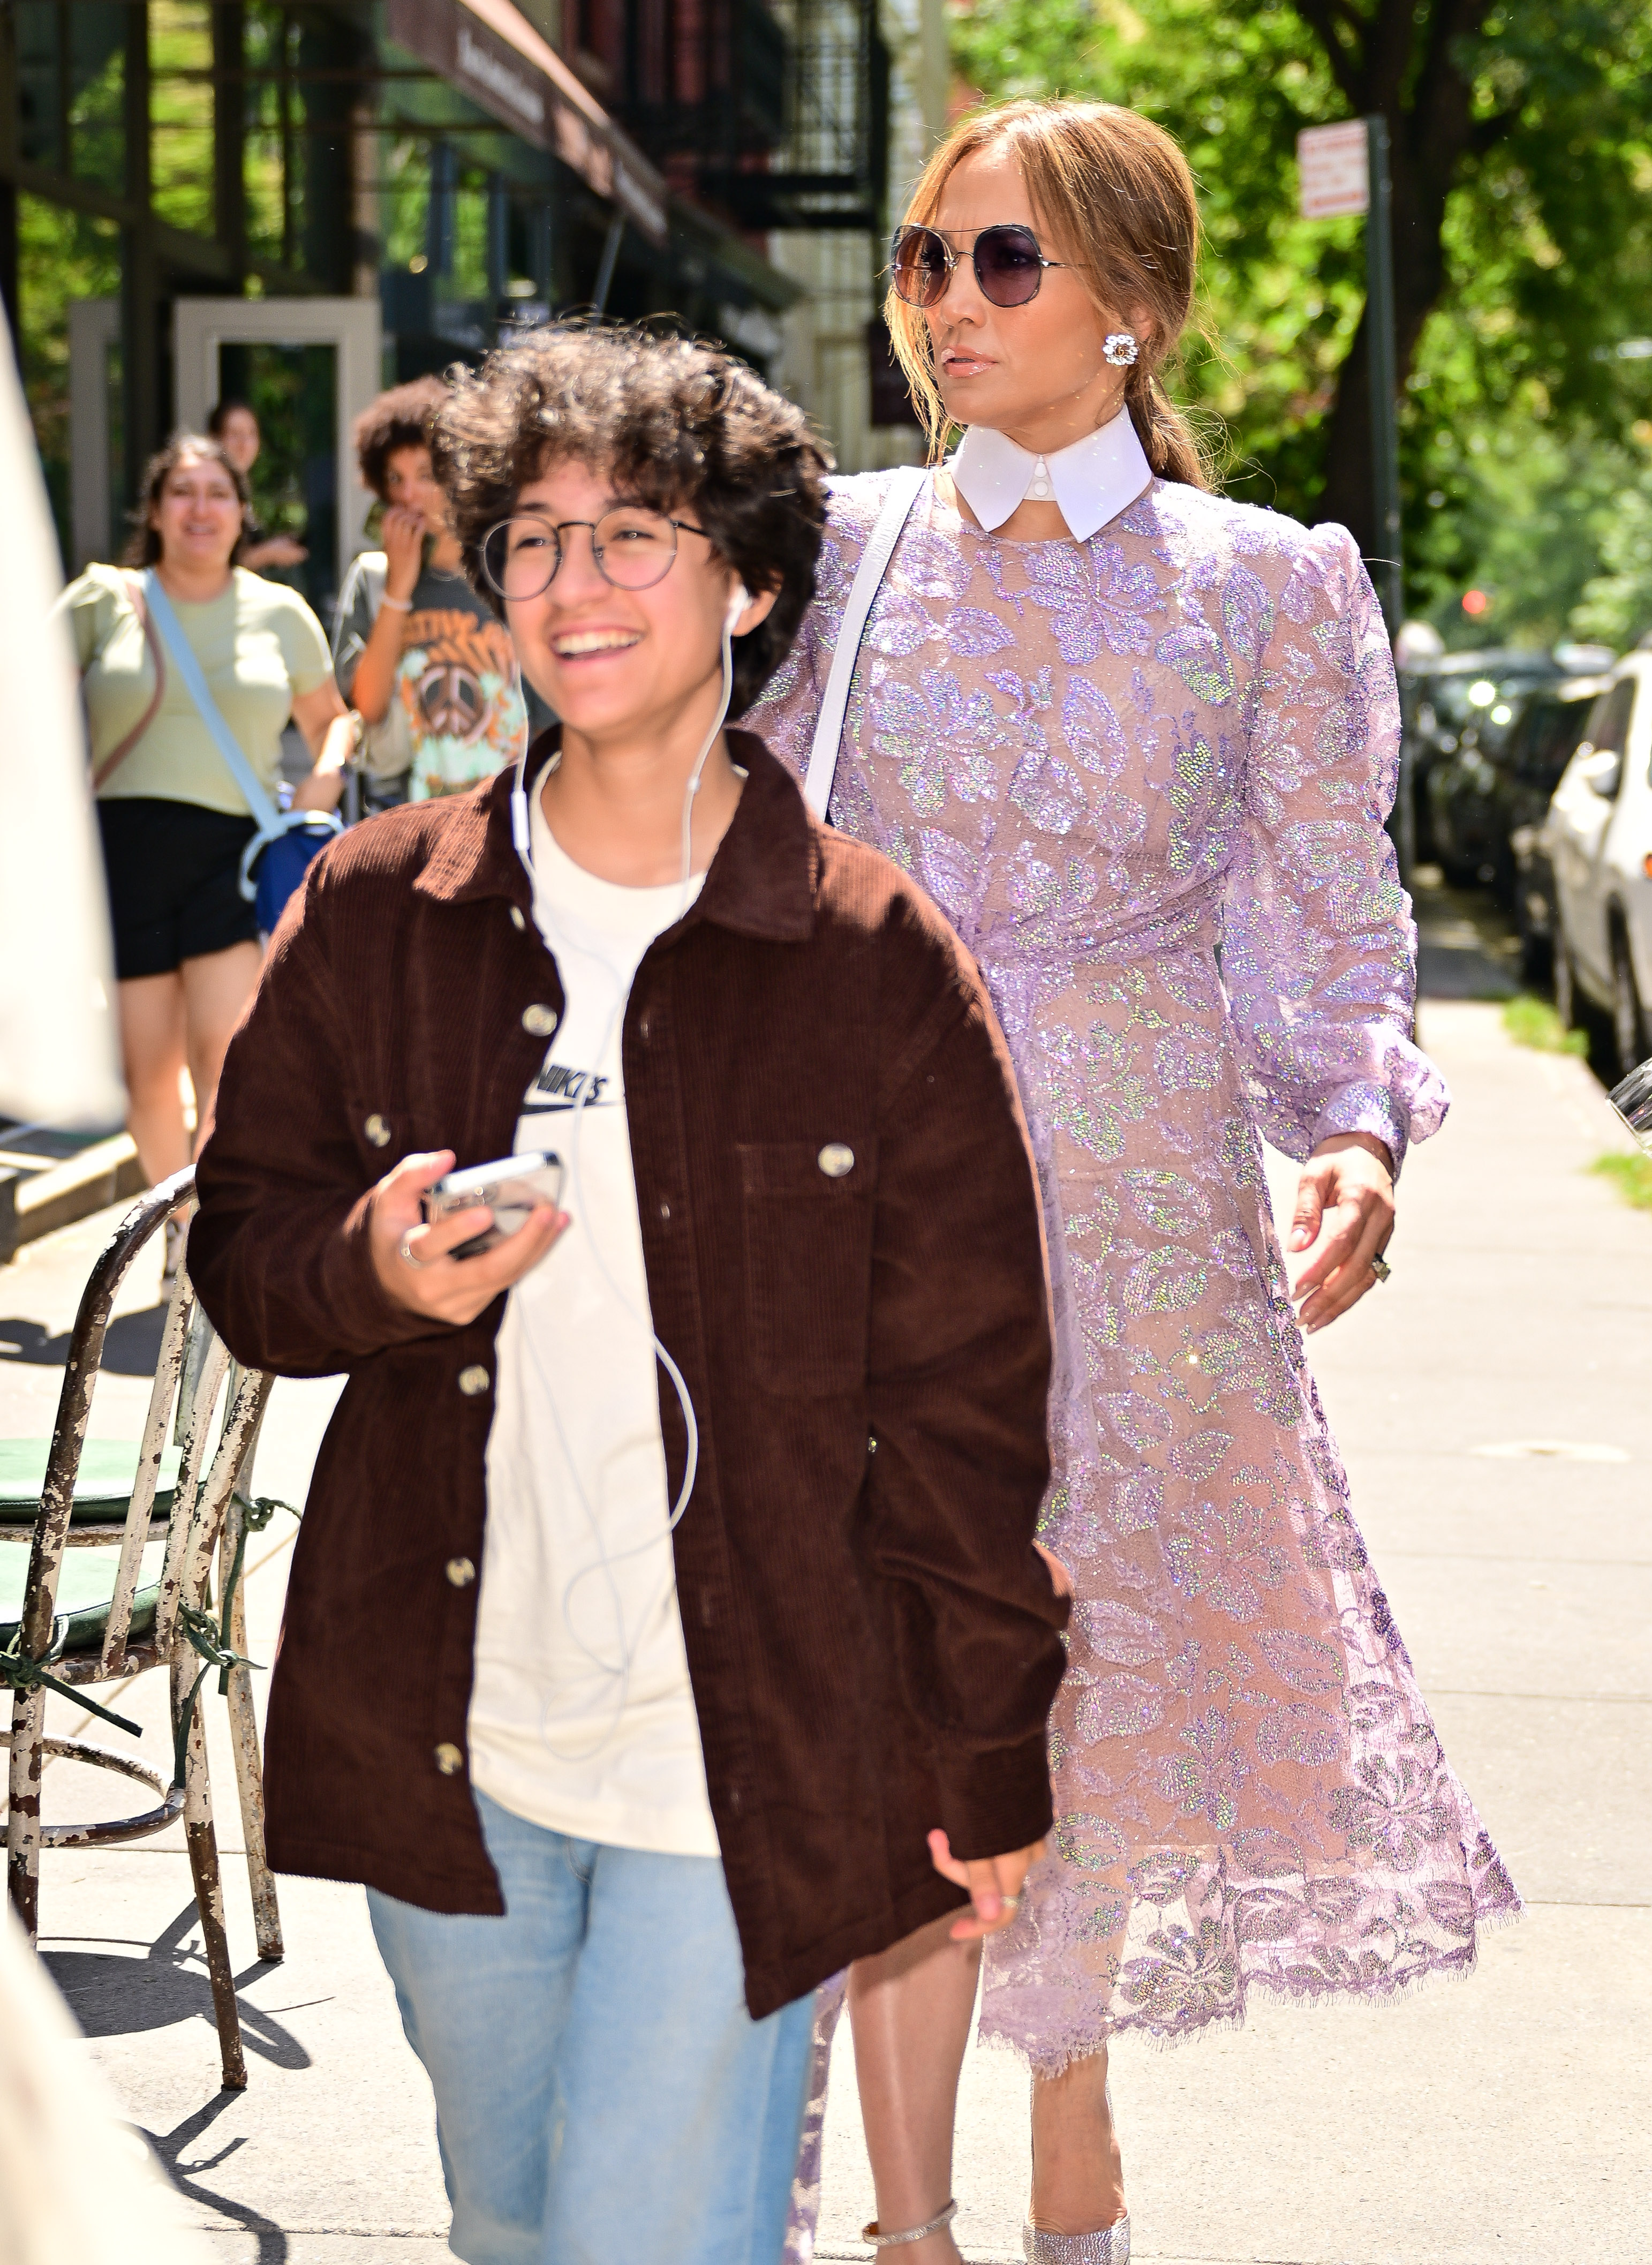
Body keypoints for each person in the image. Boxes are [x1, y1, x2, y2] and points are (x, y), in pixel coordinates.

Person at [188, 323, 1072, 2265]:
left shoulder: (867, 953)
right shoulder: (377, 905)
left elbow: (965, 1392)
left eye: (633, 537)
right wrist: (377, 1269)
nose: (570, 587)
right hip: (451, 1739)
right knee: (517, 2222)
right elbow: (243, 1249)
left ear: (748, 578)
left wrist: (982, 1737)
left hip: (747, 1743)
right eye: (531, 541)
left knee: (642, 2238)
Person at [750, 97, 1521, 2265]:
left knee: (1068, 1676)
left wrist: (1356, 1135)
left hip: (1139, 1205)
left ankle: (1065, 2149)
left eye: (1002, 263)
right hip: (869, 1190)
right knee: (872, 1656)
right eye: (921, 259)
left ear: (1134, 308)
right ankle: (877, 2200)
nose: (943, 305)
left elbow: (1325, 921)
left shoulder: (1264, 584)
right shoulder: (831, 543)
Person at [60, 431, 354, 1292]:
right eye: (181, 493)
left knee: (219, 1060)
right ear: (153, 512)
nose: (199, 509)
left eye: (216, 493)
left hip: (235, 857)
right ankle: (179, 1226)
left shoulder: (278, 610)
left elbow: (331, 716)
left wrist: (326, 777)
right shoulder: (104, 597)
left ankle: (210, 1230)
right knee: (147, 1074)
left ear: (239, 513)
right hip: (122, 857)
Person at [331, 375, 532, 809]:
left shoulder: (510, 573)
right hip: (403, 811)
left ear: (461, 476)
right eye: (395, 478)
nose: (408, 494)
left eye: (426, 475)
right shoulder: (372, 577)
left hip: (506, 811)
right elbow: (367, 706)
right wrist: (398, 590)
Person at [207, 397, 311, 574]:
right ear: (214, 439)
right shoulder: (208, 493)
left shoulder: (243, 490)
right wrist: (267, 554)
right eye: (235, 434)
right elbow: (211, 566)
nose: (244, 444)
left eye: (251, 434)